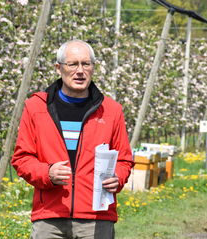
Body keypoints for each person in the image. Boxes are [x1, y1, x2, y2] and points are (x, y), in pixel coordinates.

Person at [11, 39, 134, 239]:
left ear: (93, 68)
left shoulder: (111, 110)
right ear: (59, 68)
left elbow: (124, 159)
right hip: (50, 216)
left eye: (86, 64)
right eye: (73, 64)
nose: (80, 70)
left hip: (97, 216)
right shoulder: (36, 107)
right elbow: (22, 158)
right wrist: (47, 172)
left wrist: (118, 177)